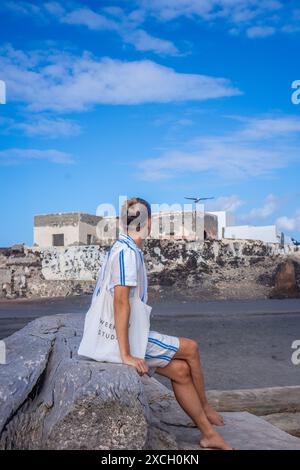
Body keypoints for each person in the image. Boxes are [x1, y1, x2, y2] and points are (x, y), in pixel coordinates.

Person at [92, 197, 232, 450]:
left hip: (126, 334)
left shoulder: (124, 248)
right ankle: (206, 408)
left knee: (180, 371)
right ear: (150, 223)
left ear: (122, 223)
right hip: (123, 339)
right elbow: (120, 303)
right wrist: (126, 354)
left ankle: (208, 434)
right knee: (191, 348)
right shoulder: (126, 253)